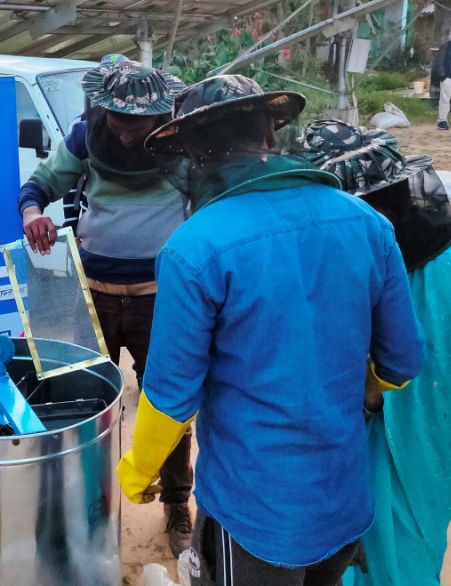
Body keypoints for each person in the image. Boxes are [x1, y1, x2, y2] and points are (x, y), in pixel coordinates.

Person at [117, 75, 425, 586]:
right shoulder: (366, 221)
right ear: (270, 135)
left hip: (255, 514)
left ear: (195, 154)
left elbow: (171, 395)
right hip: (344, 498)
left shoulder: (194, 247)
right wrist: (356, 394)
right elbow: (403, 361)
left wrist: (137, 471)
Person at [17, 61, 196, 555]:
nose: (121, 133)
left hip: (161, 300)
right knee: (82, 399)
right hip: (92, 295)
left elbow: (210, 203)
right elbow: (38, 186)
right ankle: (79, 502)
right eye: (115, 121)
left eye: (134, 125)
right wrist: (34, 214)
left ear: (160, 116)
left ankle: (177, 502)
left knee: (170, 404)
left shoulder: (183, 145)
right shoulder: (84, 138)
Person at [318, 144, 451, 586]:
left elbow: (402, 361)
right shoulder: (450, 254)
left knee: (395, 498)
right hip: (419, 408)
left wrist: (368, 399)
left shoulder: (430, 265)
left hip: (405, 411)